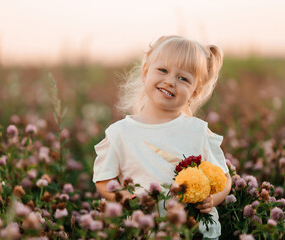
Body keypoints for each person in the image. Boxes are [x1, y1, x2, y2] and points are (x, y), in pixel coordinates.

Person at [92, 35, 231, 239]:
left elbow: (224, 178)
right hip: (145, 230)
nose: (170, 81)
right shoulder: (120, 133)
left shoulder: (198, 131)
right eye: (163, 70)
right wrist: (126, 198)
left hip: (194, 231)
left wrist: (213, 199)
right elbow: (104, 180)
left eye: (183, 78)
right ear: (145, 71)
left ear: (195, 91)